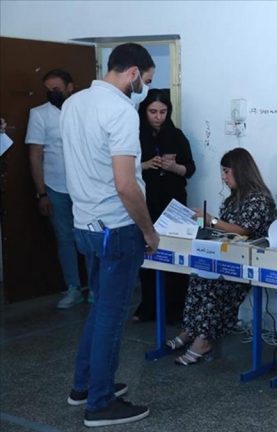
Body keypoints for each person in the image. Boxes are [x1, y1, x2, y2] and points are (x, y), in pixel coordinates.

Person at [60, 42, 157, 427]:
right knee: (112, 316)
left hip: (84, 224)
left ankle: (84, 385)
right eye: (145, 80)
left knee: (100, 308)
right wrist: (148, 230)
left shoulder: (74, 103)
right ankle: (100, 404)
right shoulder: (120, 111)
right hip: (116, 228)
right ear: (132, 73)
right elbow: (125, 185)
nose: (145, 88)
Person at [168, 148, 277, 366]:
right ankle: (190, 330)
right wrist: (201, 224)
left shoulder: (259, 199)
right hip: (224, 258)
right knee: (198, 276)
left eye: (227, 172)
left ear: (240, 171)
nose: (223, 177)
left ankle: (204, 339)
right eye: (223, 172)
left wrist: (212, 220)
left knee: (214, 285)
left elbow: (244, 230)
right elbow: (222, 231)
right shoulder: (231, 200)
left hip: (245, 264)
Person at [25, 69, 87, 309]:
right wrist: (41, 193)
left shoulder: (83, 110)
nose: (52, 93)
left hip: (85, 187)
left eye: (57, 89)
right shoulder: (39, 114)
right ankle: (73, 287)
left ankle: (95, 287)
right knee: (65, 239)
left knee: (89, 237)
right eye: (49, 89)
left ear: (70, 87)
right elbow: (35, 155)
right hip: (55, 186)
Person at [134, 89, 196, 322]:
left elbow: (190, 168)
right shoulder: (134, 135)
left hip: (173, 203)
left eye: (163, 112)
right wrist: (146, 165)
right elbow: (123, 169)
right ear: (144, 111)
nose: (158, 117)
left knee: (176, 252)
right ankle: (148, 306)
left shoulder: (176, 135)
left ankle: (176, 308)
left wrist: (174, 167)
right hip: (146, 202)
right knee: (148, 252)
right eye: (153, 112)